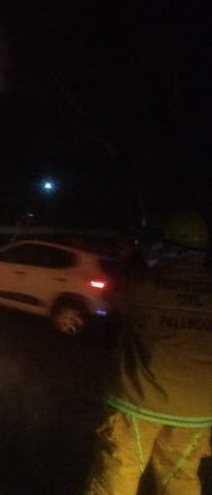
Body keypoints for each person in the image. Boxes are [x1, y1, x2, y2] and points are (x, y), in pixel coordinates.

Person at [86, 210, 212, 495]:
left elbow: (110, 297)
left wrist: (133, 258)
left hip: (140, 402)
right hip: (198, 409)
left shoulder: (145, 285)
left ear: (168, 246)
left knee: (118, 474)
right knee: (180, 478)